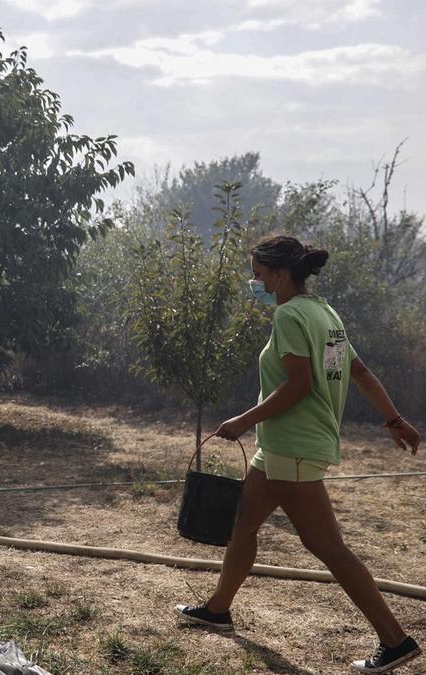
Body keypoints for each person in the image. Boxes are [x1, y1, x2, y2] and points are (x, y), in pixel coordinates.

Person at [174, 235, 421, 674]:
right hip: (279, 448)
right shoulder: (324, 312)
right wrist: (394, 420)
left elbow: (299, 384)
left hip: (295, 446)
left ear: (279, 274)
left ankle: (395, 640)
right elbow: (358, 371)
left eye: (257, 273)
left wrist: (243, 421)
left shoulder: (289, 315)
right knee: (244, 524)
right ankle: (218, 609)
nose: (254, 280)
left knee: (327, 546)